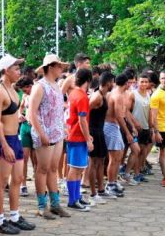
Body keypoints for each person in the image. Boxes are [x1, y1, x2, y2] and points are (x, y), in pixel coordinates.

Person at [0, 54, 36, 234]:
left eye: (19, 68)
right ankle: (0, 220)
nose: (19, 72)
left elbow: (9, 115)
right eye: (15, 69)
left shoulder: (12, 90)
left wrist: (18, 117)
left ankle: (15, 216)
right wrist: (5, 145)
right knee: (2, 182)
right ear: (5, 71)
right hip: (6, 140)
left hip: (15, 138)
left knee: (17, 179)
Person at [28, 54, 71, 219]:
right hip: (44, 132)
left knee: (54, 168)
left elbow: (58, 110)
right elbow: (31, 112)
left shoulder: (56, 85)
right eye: (59, 66)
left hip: (57, 132)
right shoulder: (40, 86)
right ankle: (41, 205)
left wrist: (63, 128)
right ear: (51, 67)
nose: (62, 69)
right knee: (43, 169)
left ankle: (55, 204)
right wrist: (41, 133)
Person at [66, 68, 94, 211]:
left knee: (76, 168)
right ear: (88, 81)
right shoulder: (82, 96)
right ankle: (72, 200)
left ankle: (76, 197)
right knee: (76, 169)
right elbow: (82, 120)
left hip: (73, 134)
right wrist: (88, 139)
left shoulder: (73, 93)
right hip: (77, 136)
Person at [103, 74, 133, 197]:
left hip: (112, 126)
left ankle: (113, 182)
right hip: (111, 126)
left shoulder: (112, 93)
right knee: (114, 158)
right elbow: (119, 116)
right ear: (126, 83)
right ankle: (110, 184)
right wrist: (127, 132)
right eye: (129, 83)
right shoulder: (118, 96)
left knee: (118, 156)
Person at [88, 72, 114, 201]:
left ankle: (101, 190)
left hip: (99, 131)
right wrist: (87, 134)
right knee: (93, 163)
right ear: (108, 82)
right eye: (112, 82)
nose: (113, 84)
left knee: (101, 161)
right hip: (93, 132)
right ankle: (93, 194)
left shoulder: (103, 95)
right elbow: (84, 113)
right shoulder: (97, 97)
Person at [128, 73, 153, 182]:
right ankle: (129, 173)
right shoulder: (133, 94)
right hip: (136, 128)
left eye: (146, 82)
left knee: (143, 151)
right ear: (137, 82)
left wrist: (151, 127)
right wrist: (134, 123)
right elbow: (127, 111)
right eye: (141, 81)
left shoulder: (148, 94)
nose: (143, 84)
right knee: (136, 151)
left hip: (145, 127)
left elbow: (149, 112)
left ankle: (137, 172)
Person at [16, 77, 35, 197]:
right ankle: (23, 184)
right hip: (25, 127)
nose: (24, 92)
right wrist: (19, 114)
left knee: (36, 160)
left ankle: (40, 184)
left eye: (25, 89)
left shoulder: (38, 94)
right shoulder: (24, 96)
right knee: (24, 158)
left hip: (36, 129)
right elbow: (21, 107)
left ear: (30, 86)